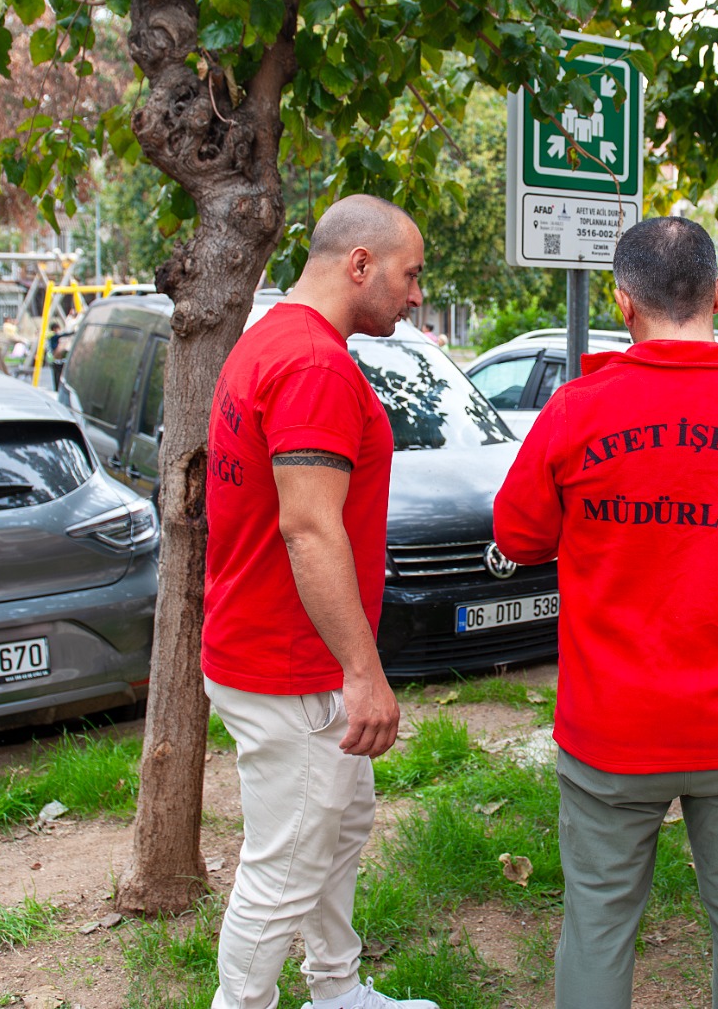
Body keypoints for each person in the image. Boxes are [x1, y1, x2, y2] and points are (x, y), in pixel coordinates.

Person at [493, 216, 718, 1009]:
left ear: (623, 301)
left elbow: (517, 535)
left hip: (612, 726)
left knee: (597, 923)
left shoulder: (577, 410)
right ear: (717, 293)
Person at [202, 194, 437, 1009]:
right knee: (284, 871)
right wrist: (363, 673)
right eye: (410, 275)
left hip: (273, 647)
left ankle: (336, 992)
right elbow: (307, 529)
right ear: (360, 265)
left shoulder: (274, 335)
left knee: (338, 827)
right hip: (289, 662)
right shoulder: (313, 365)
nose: (417, 296)